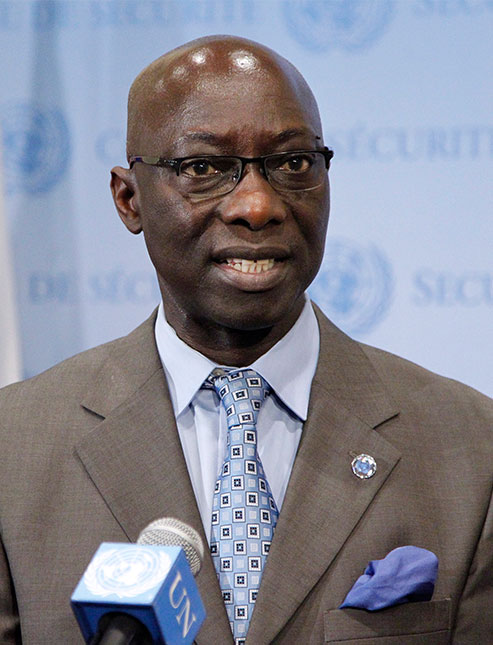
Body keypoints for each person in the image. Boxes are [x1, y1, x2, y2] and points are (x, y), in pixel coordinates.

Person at [0, 35, 492, 645]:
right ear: (129, 200)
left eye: (293, 164)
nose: (257, 206)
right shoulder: (13, 450)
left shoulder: (471, 448)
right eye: (203, 168)